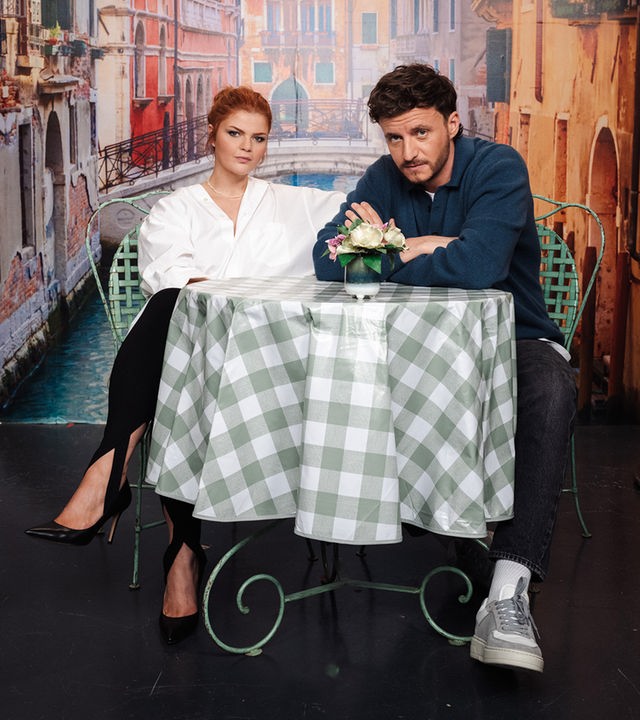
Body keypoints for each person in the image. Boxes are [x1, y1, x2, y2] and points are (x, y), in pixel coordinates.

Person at [26, 86, 345, 645]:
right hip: (192, 361)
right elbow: (170, 280)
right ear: (212, 135)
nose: (247, 147)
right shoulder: (175, 209)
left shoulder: (298, 204)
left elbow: (367, 207)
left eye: (259, 138)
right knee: (176, 329)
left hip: (270, 362)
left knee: (174, 335)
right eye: (235, 133)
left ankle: (109, 473)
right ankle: (181, 556)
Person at [313, 64, 577, 673]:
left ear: (452, 123)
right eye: (394, 137)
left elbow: (481, 266)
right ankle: (454, 533)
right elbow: (327, 258)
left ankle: (507, 595)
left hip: (514, 337)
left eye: (421, 133)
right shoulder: (383, 177)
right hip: (413, 347)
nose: (408, 152)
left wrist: (383, 250)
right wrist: (423, 247)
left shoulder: (499, 168)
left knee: (551, 387)